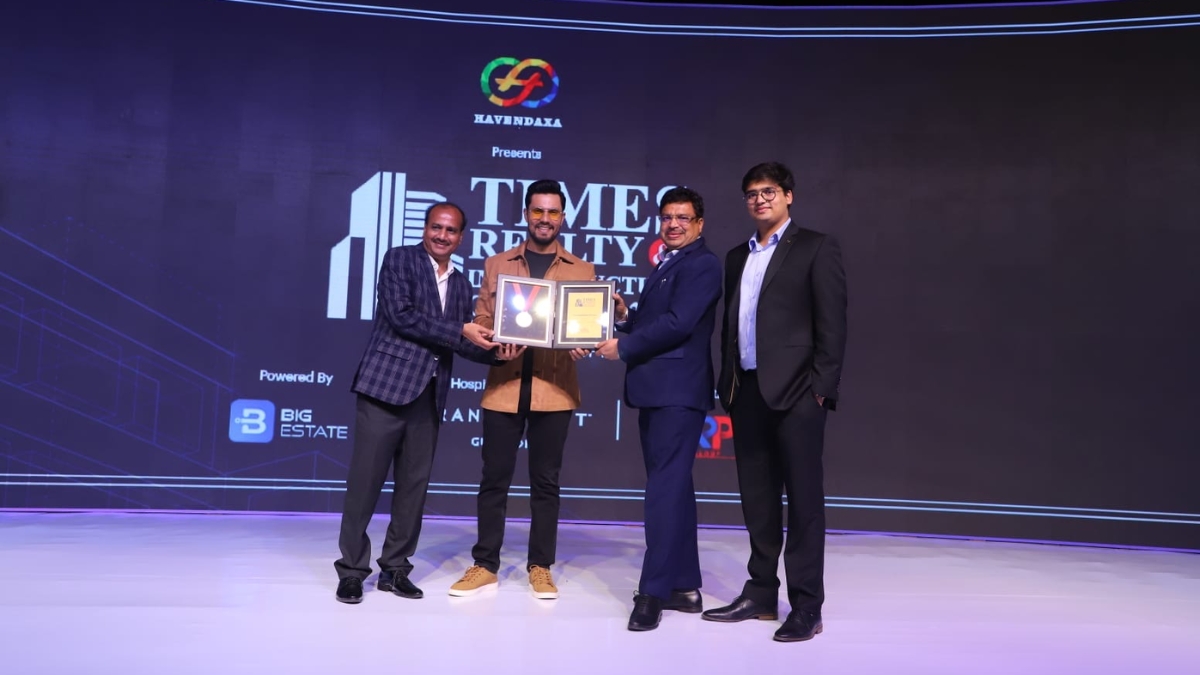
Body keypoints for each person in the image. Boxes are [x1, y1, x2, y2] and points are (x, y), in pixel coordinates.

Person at [334, 202, 515, 604]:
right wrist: (461, 330)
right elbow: (402, 316)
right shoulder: (399, 260)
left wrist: (497, 354)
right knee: (364, 486)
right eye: (436, 227)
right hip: (385, 388)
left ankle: (395, 568)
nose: (442, 236)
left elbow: (460, 341)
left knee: (413, 490)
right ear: (425, 228)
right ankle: (352, 571)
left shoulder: (462, 283)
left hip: (429, 395)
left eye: (450, 231)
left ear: (461, 237)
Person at [701, 162, 847, 642]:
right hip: (747, 392)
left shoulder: (815, 247)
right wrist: (728, 385)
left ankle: (806, 606)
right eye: (751, 193)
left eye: (768, 191)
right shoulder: (736, 256)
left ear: (788, 196)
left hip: (799, 394)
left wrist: (821, 389)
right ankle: (761, 594)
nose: (759, 199)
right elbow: (731, 326)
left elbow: (833, 324)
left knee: (803, 503)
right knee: (758, 500)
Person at [448, 180, 594, 600]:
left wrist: (585, 341)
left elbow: (586, 323)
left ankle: (540, 567)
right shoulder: (498, 263)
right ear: (527, 214)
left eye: (553, 212)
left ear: (563, 217)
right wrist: (494, 339)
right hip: (505, 386)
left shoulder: (582, 270)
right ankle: (485, 565)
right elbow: (483, 316)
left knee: (546, 483)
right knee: (493, 479)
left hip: (556, 388)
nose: (545, 219)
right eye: (538, 211)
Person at [595, 186, 723, 631]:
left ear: (699, 224)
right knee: (674, 488)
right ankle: (684, 587)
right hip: (659, 390)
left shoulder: (703, 264)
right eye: (667, 217)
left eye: (683, 218)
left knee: (664, 490)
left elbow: (679, 323)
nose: (673, 224)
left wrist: (625, 346)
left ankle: (651, 592)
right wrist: (624, 317)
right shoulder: (670, 262)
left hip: (677, 392)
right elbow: (659, 321)